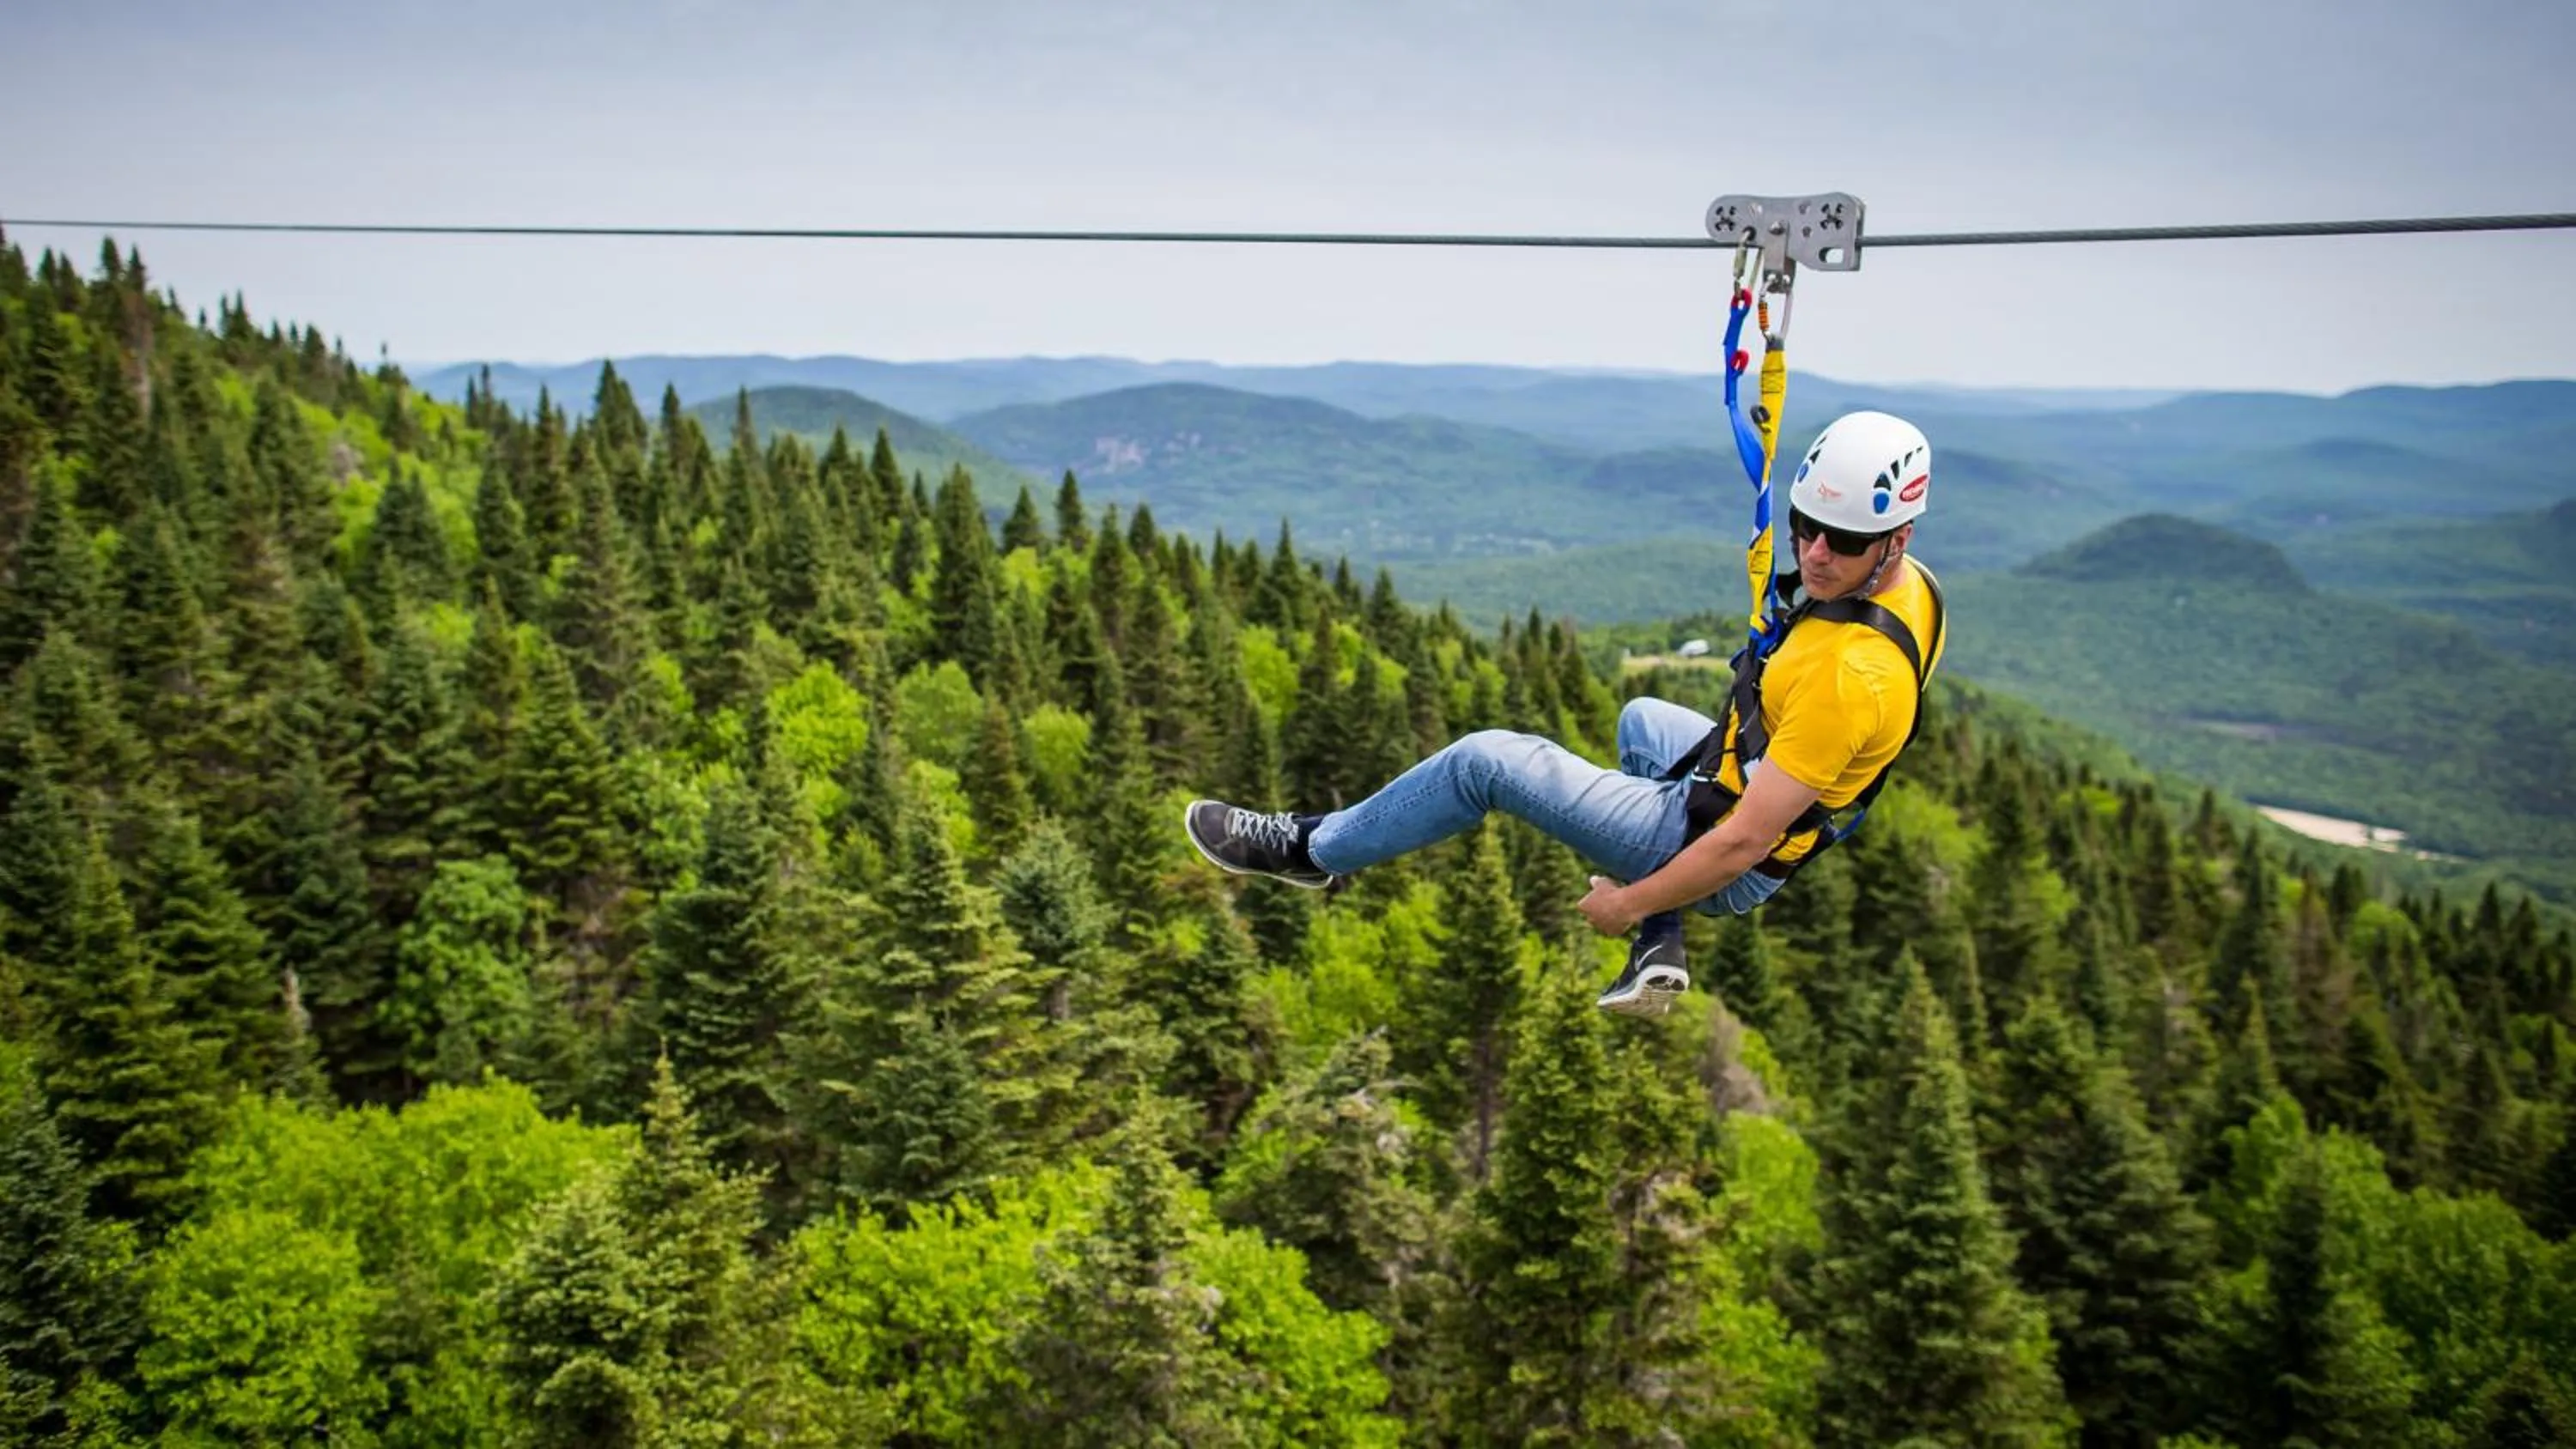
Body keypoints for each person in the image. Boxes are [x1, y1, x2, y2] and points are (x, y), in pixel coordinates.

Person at [1184, 409, 1947, 1016]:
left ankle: (1307, 852)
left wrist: (1628, 903)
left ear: (1896, 539)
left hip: (1731, 841)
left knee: (1487, 761)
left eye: (1842, 542)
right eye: (1803, 526)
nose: (1814, 554)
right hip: (1741, 774)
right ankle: (1663, 941)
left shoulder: (1854, 678)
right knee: (1643, 720)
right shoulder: (1913, 588)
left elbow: (1744, 842)